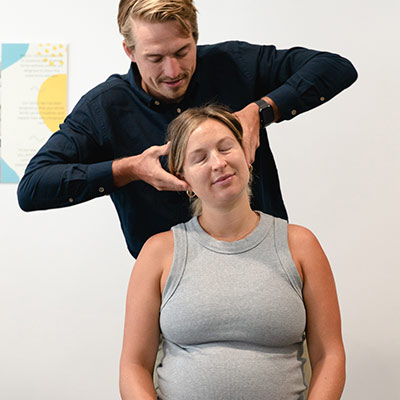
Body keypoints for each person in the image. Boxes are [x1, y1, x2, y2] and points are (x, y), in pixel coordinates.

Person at [17, 0, 358, 258]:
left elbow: (335, 67)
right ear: (129, 51)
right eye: (155, 58)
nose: (173, 70)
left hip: (267, 261)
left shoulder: (232, 64)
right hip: (173, 287)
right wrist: (129, 170)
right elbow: (33, 187)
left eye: (183, 51)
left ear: (195, 36)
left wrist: (261, 111)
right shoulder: (103, 109)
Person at [119, 104, 345, 400]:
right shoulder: (158, 253)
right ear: (181, 175)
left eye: (226, 148)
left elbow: (330, 354)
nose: (218, 163)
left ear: (247, 153)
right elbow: (133, 365)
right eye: (199, 158)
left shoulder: (300, 246)